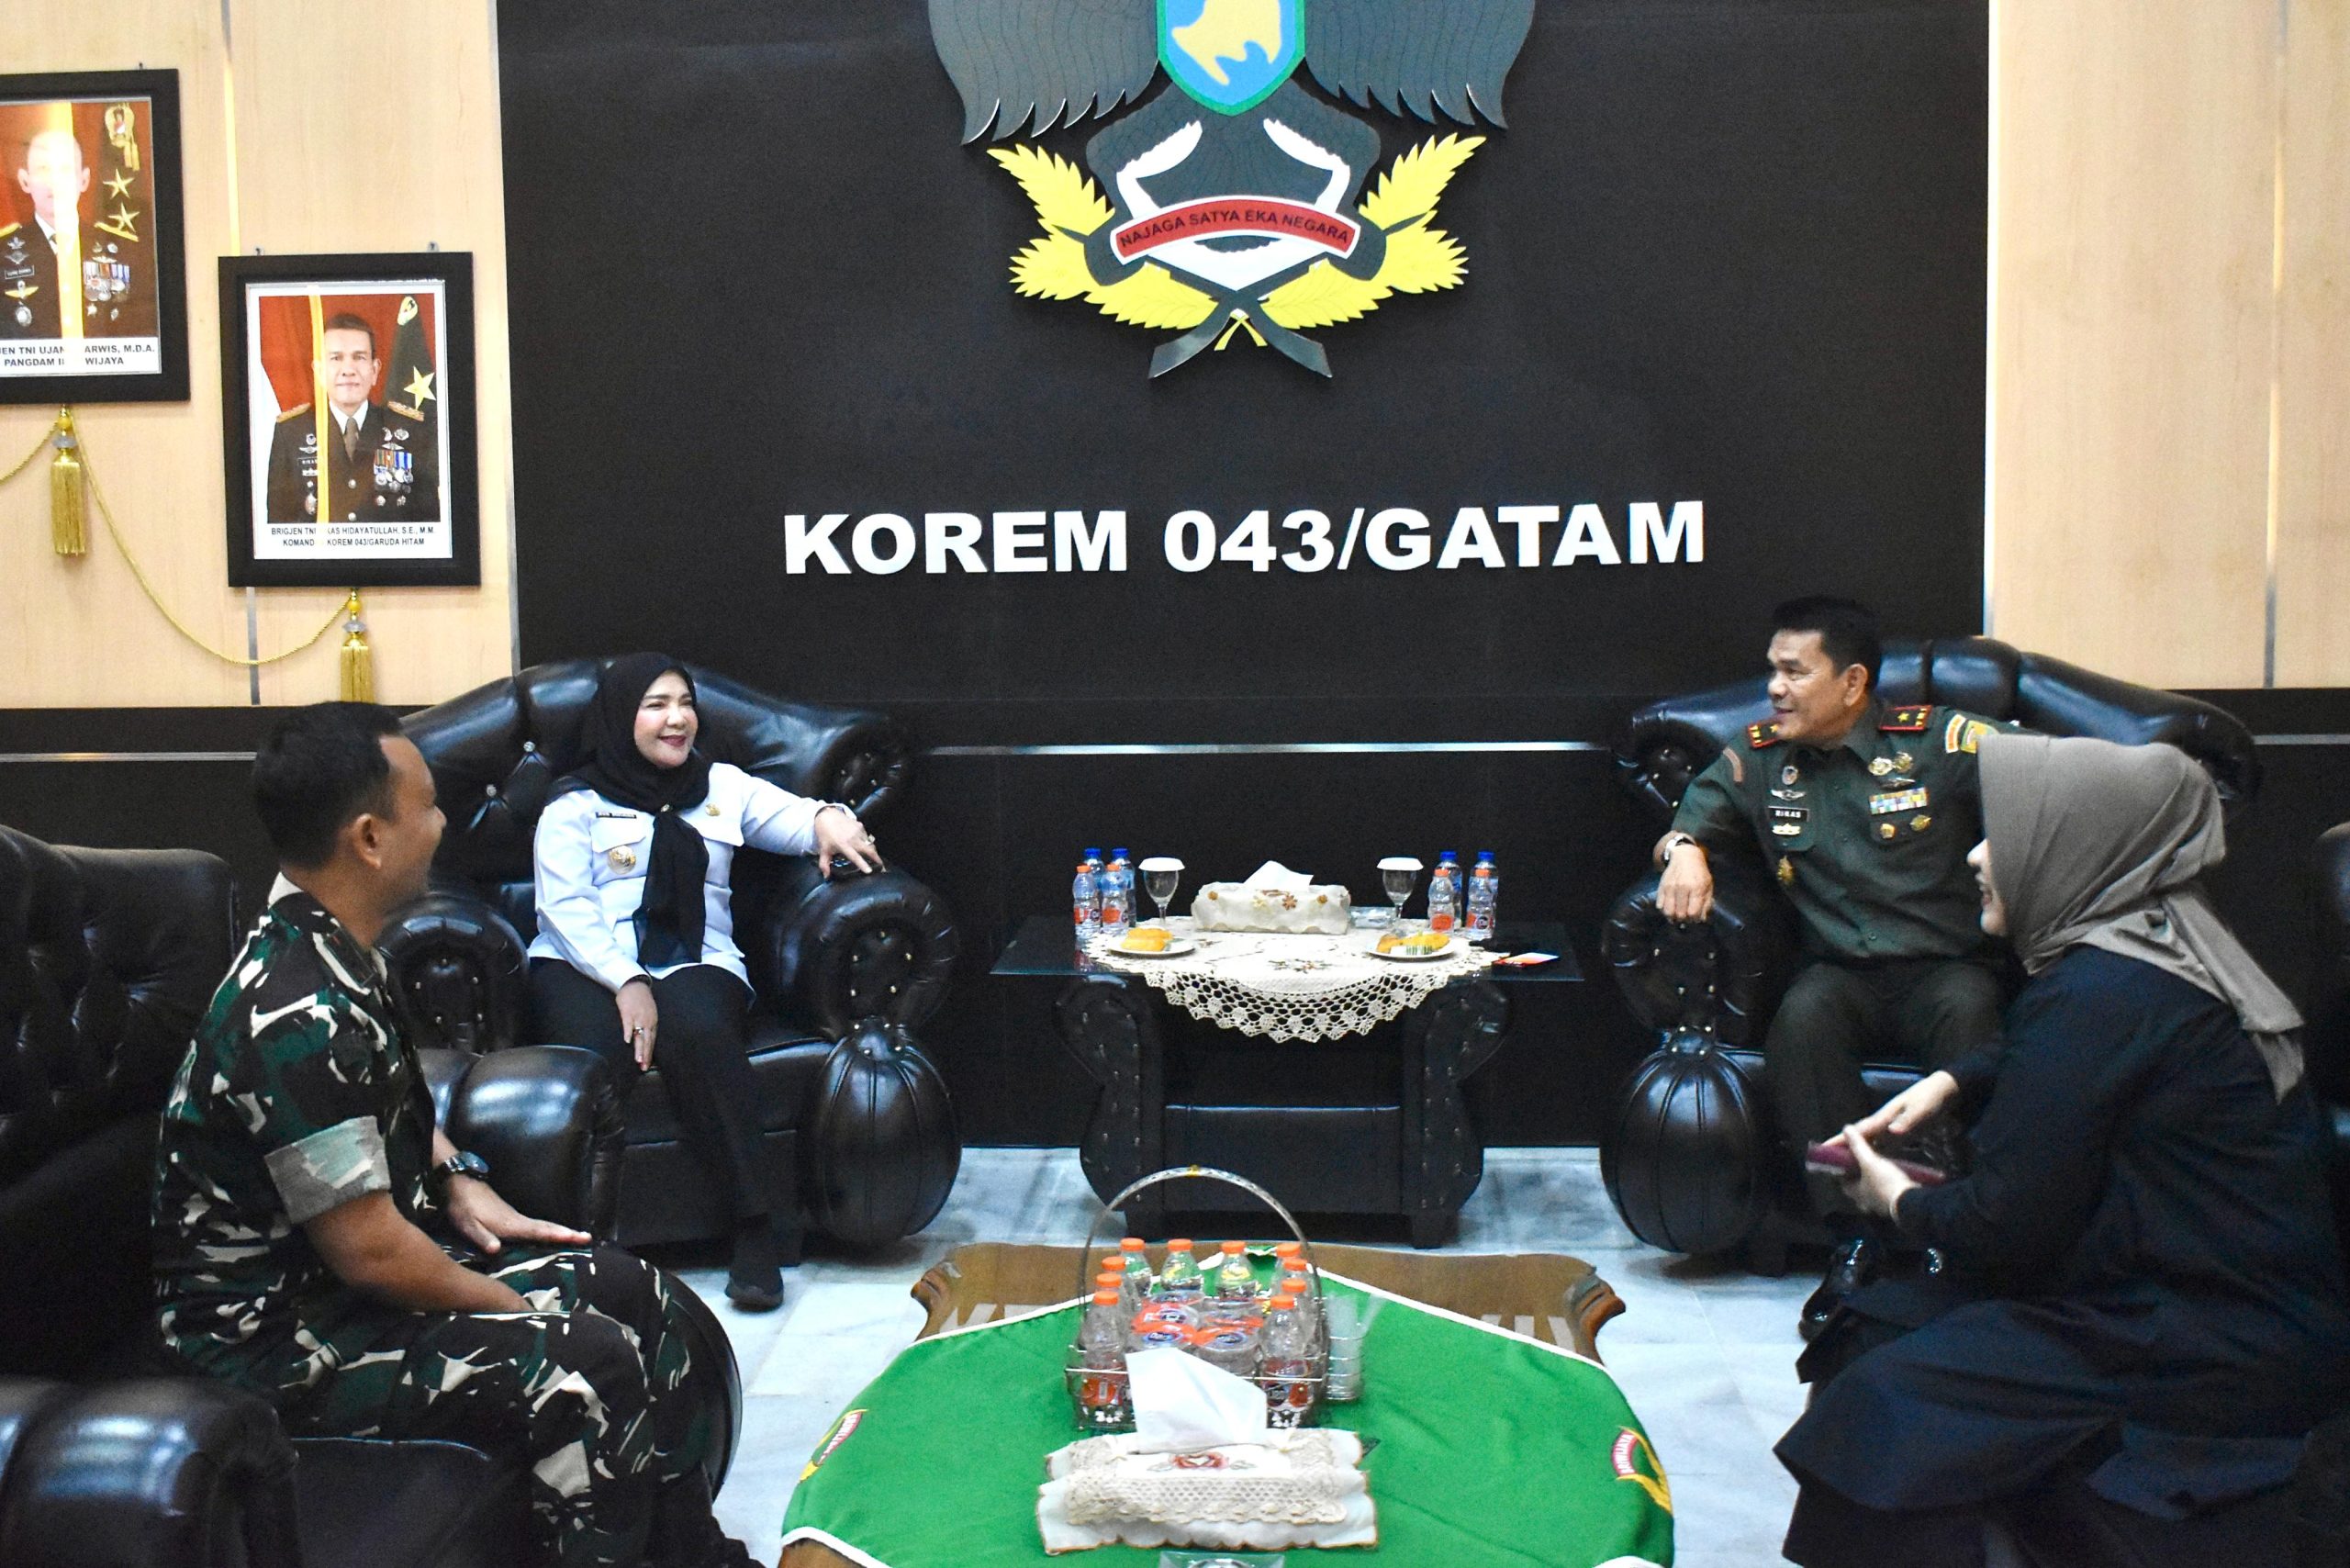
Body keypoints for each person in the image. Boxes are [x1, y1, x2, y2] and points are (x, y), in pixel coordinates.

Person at [153, 701, 758, 1567]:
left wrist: (455, 1174)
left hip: (340, 1295)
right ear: (370, 839)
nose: (441, 825)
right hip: (279, 1346)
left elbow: (382, 1104)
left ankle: (698, 1556)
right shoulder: (294, 1011)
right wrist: (516, 1308)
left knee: (629, 1289)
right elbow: (372, 1255)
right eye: (429, 806)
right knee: (584, 1360)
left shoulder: (335, 949)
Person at [1776, 734, 2350, 1567]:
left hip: (2203, 1340)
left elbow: (2000, 1227)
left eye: (2002, 835)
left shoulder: (2097, 992)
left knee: (1888, 1402)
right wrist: (1955, 1079)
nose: (1976, 856)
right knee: (1877, 1328)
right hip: (2222, 1307)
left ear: (2072, 848)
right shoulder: (2156, 945)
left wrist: (1891, 1196)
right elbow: (2073, 1055)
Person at [1653, 596, 2014, 1335]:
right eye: (1772, 670)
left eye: (1794, 672)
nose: (1774, 689)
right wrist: (1684, 850)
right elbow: (1685, 824)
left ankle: (1956, 1237)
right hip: (1842, 971)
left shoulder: (1940, 743)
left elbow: (2057, 781)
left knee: (1972, 1016)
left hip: (1947, 967)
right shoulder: (1761, 758)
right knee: (1802, 1020)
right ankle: (1852, 1240)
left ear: (1852, 683)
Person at [530, 654, 881, 1311]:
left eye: (684, 703)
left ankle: (755, 1226)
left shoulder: (721, 786)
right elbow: (564, 908)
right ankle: (587, 1242)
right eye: (655, 706)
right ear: (620, 717)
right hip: (583, 963)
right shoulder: (574, 804)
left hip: (696, 959)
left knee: (700, 1032)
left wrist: (830, 818)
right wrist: (626, 980)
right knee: (598, 1051)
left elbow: (797, 820)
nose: (677, 719)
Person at [264, 311, 435, 523]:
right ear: (319, 371)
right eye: (336, 358)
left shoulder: (410, 430)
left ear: (375, 370)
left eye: (359, 357)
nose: (348, 370)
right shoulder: (291, 433)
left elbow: (429, 523)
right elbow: (279, 524)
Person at [1, 126, 154, 339]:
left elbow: (144, 329)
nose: (54, 180)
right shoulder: (2, 254)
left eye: (65, 169)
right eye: (43, 169)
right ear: (25, 181)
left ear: (84, 180)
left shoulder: (125, 251)